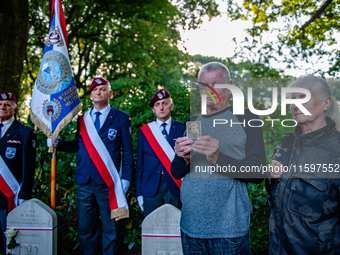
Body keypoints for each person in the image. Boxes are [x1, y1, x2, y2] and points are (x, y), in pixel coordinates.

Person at [171, 62, 266, 254]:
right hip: (191, 226)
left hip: (229, 230)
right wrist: (185, 159)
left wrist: (218, 159)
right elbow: (176, 170)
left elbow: (258, 172)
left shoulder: (247, 118)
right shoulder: (192, 121)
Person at [51, 77, 133, 255]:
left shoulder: (121, 118)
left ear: (110, 94)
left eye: (102, 89)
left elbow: (127, 152)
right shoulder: (83, 119)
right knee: (86, 229)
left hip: (109, 184)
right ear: (90, 95)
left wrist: (125, 179)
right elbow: (77, 145)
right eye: (94, 90)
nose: (98, 92)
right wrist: (59, 143)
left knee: (111, 229)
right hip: (85, 182)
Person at [266, 76, 340, 254]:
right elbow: (277, 194)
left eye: (303, 97)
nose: (294, 104)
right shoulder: (288, 142)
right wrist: (272, 178)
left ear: (326, 103)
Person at [136, 89, 183, 216]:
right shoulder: (144, 131)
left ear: (171, 106)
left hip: (175, 185)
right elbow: (140, 163)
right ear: (153, 109)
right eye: (157, 104)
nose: (161, 108)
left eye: (165, 103)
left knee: (175, 230)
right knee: (151, 230)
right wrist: (139, 193)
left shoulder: (182, 128)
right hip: (150, 185)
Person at [0, 91, 36, 254]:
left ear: (15, 109)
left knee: (9, 241)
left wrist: (24, 195)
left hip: (9, 197)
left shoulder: (25, 133)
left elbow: (28, 168)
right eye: (0, 105)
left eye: (7, 104)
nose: (3, 107)